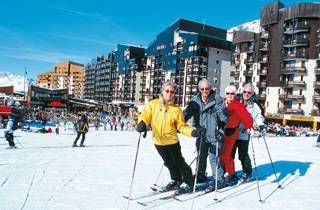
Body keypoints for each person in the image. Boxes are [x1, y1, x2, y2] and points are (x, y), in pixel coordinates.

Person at [136, 81, 206, 194]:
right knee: (168, 162)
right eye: (167, 91)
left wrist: (194, 132)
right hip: (158, 141)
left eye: (172, 92)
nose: (169, 94)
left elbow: (181, 126)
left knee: (179, 162)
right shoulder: (153, 104)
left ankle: (188, 181)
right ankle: (176, 179)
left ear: (174, 94)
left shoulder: (176, 110)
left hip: (172, 141)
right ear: (162, 92)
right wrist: (142, 123)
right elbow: (145, 115)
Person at [184, 79, 228, 189]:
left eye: (207, 89)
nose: (205, 91)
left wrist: (221, 130)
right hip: (202, 134)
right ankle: (200, 175)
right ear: (199, 89)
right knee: (201, 156)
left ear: (210, 89)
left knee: (214, 158)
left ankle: (219, 180)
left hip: (214, 135)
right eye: (202, 89)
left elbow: (224, 116)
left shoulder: (217, 99)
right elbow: (187, 113)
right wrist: (180, 121)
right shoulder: (195, 101)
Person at [232, 83, 266, 184]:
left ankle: (247, 172)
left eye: (249, 92)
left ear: (252, 93)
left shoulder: (255, 104)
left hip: (244, 132)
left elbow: (259, 116)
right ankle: (230, 172)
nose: (246, 94)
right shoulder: (236, 99)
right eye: (245, 92)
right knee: (230, 154)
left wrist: (260, 125)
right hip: (233, 132)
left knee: (243, 154)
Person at [220, 85, 252, 186]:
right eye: (228, 93)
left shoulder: (238, 105)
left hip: (232, 133)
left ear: (235, 94)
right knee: (221, 155)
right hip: (221, 132)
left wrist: (249, 126)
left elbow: (246, 117)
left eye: (232, 93)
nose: (230, 95)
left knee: (226, 154)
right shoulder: (221, 103)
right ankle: (224, 171)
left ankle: (232, 173)